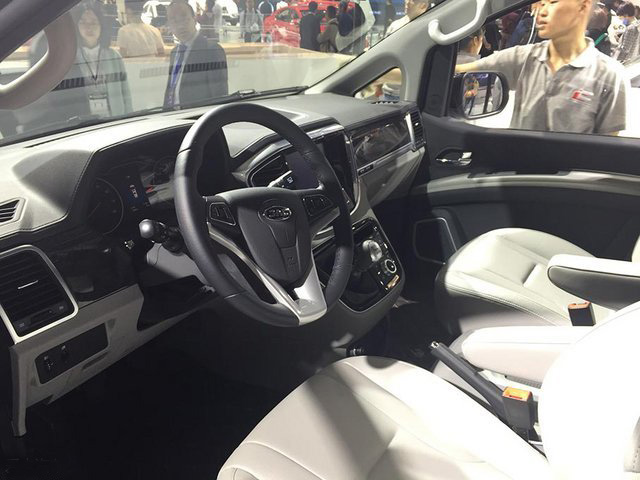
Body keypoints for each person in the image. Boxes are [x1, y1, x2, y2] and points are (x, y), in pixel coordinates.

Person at [457, 0, 628, 135]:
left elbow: (605, 150)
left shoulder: (609, 75)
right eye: (541, 3)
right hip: (517, 167)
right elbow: (465, 69)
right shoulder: (525, 57)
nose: (541, 11)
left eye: (552, 2)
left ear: (583, 6)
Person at [29, 1, 132, 121]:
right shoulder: (70, 56)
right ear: (76, 27)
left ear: (101, 26)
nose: (89, 27)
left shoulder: (114, 56)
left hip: (114, 118)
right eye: (83, 22)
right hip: (84, 121)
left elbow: (125, 92)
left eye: (94, 22)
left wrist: (128, 118)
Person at [164, 0, 228, 109]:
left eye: (184, 18)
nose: (180, 26)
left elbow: (219, 97)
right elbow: (171, 89)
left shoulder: (211, 50)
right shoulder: (175, 53)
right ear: (169, 24)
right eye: (174, 20)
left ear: (194, 19)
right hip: (172, 116)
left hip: (197, 116)